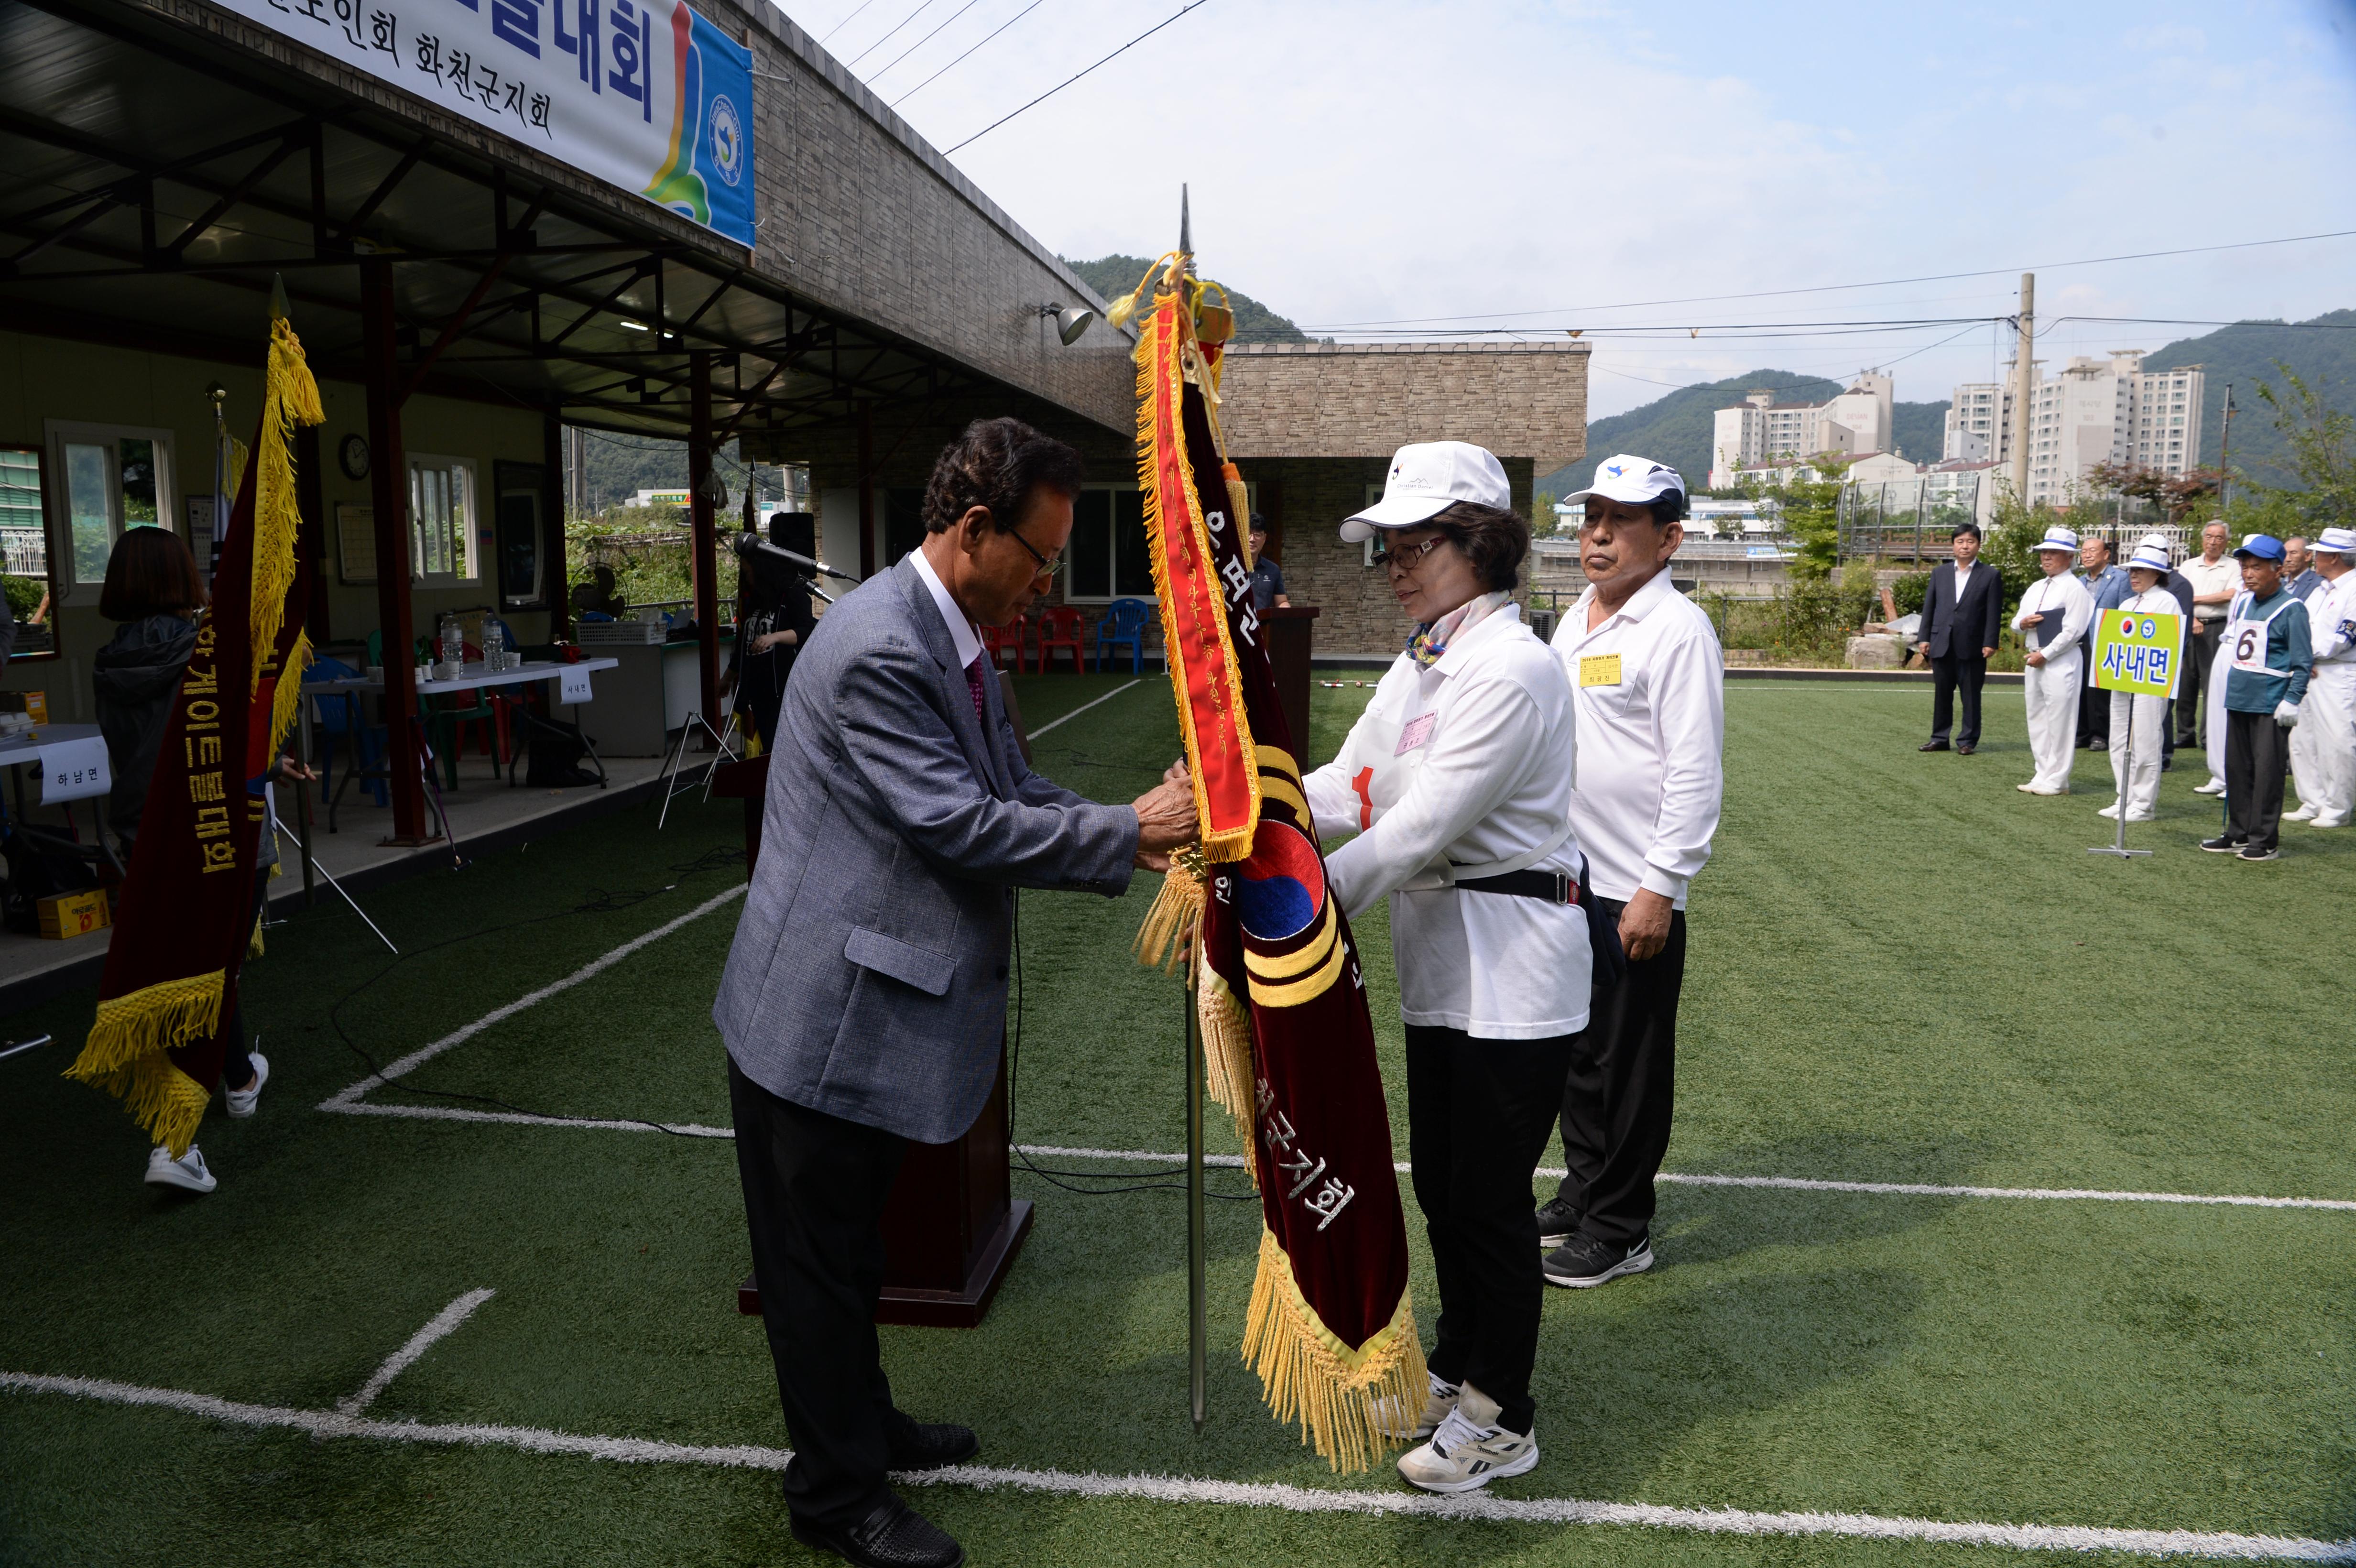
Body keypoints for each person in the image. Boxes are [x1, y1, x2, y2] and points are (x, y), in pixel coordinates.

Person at [712, 417, 1198, 1568]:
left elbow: (1012, 782)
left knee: (854, 1253)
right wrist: (1132, 827)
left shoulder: (953, 629)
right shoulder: (886, 643)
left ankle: (862, 1423)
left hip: (863, 1009)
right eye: (1039, 556)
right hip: (821, 1021)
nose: (1046, 583)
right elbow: (956, 822)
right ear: (975, 530)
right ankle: (837, 1495)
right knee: (818, 1270)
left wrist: (1130, 832)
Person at [1301, 439, 1589, 1494]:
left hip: (1515, 978)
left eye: (1412, 543)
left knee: (1488, 1203)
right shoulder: (1427, 657)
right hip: (1447, 972)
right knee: (1448, 1193)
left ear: (1480, 542)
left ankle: (1503, 1414)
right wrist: (1254, 798)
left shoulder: (1509, 667)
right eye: (1388, 546)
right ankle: (1460, 1370)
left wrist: (1301, 905)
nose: (1393, 565)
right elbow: (1348, 782)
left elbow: (1417, 826)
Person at [1535, 454, 1721, 1293]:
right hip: (1566, 878)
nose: (1599, 535)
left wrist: (1661, 885)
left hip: (1630, 888)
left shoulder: (1677, 630)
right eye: (1590, 519)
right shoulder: (1574, 616)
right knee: (1579, 1056)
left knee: (1631, 1062)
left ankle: (1622, 1227)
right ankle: (1583, 1193)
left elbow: (1692, 771)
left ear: (1669, 537)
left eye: (1622, 521)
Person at [92, 527, 313, 1195]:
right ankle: (174, 1142)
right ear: (183, 580)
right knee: (209, 974)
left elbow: (163, 749)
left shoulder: (109, 663)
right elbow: (220, 745)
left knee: (203, 970)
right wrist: (274, 761)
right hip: (220, 834)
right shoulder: (204, 654)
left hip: (148, 841)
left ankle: (241, 1076)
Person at [2201, 534, 2312, 861]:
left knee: (2267, 774)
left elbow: (2303, 662)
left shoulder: (2293, 609)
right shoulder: (2247, 602)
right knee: (2237, 770)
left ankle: (2264, 840)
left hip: (2269, 703)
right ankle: (2237, 831)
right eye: (2245, 567)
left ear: (2278, 569)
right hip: (2240, 698)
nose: (2248, 573)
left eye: (2257, 567)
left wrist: (2292, 699)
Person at [2097, 540, 2182, 824]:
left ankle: (2144, 803)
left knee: (2146, 740)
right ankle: (2125, 796)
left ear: (2157, 574)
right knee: (2119, 738)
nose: (2134, 576)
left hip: (2150, 682)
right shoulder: (2127, 603)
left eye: (2141, 571)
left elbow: (2167, 644)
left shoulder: (2166, 601)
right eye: (2132, 570)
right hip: (2123, 677)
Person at [721, 511, 818, 753]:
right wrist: (727, 678)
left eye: (748, 571)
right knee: (763, 754)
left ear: (760, 570)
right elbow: (744, 644)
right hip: (757, 693)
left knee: (780, 752)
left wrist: (774, 637)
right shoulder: (755, 600)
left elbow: (807, 631)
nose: (746, 577)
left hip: (783, 692)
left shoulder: (791, 595)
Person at [2011, 526, 2094, 796]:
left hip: (2060, 659)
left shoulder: (2075, 588)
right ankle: (2042, 772)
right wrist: (2023, 623)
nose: (2046, 557)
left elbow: (2073, 631)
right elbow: (2016, 622)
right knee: (2037, 717)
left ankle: (2058, 779)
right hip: (2034, 654)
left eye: (2054, 553)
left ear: (2069, 557)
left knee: (2060, 719)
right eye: (2044, 552)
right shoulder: (2036, 588)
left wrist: (2045, 654)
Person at [1915, 523, 2003, 755]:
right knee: (1942, 694)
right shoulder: (1940, 573)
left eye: (1970, 541)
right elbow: (1930, 607)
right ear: (1953, 545)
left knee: (1971, 696)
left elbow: (1994, 612)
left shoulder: (1990, 575)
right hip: (1941, 643)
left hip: (1973, 645)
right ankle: (1939, 738)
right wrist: (1924, 638)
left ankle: (1968, 741)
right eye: (1960, 542)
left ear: (1979, 545)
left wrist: (1990, 641)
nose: (1965, 546)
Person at [2291, 526, 2356, 828]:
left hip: (2337, 672)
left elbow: (2345, 637)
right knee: (2302, 737)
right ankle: (2312, 799)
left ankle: (2337, 807)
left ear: (2334, 557)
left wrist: (2309, 654)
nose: (2313, 557)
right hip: (2309, 669)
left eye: (2319, 553)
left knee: (2336, 740)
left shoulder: (2354, 588)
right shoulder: (2320, 589)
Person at [2178, 520, 2237, 750]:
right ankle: (2185, 734)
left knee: (2212, 684)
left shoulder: (2233, 566)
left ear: (2226, 542)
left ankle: (2208, 738)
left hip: (2216, 627)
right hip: (2188, 624)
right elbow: (2178, 595)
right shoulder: (2189, 565)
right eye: (2209, 537)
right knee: (2185, 683)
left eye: (2219, 538)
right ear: (2203, 539)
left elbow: (2229, 595)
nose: (2213, 542)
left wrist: (2194, 601)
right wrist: (2191, 616)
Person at [2075, 535, 2130, 751]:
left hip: (2107, 638)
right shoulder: (2079, 581)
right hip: (2081, 640)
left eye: (2092, 551)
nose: (2087, 555)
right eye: (2084, 551)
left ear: (2106, 555)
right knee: (2081, 689)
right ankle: (2083, 732)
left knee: (2101, 690)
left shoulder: (2120, 578)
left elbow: (2126, 608)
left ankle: (2101, 735)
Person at [1247, 512, 1290, 610]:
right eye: (1248, 533)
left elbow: (1282, 602)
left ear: (1264, 538)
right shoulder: (1231, 566)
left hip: (1263, 624)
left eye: (1257, 535)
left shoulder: (1273, 569)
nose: (1252, 539)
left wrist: (1287, 611)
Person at [2284, 536, 2321, 601]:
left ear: (2308, 556)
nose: (2288, 559)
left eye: (2293, 553)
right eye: (2285, 554)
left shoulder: (2319, 584)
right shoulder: (2279, 584)